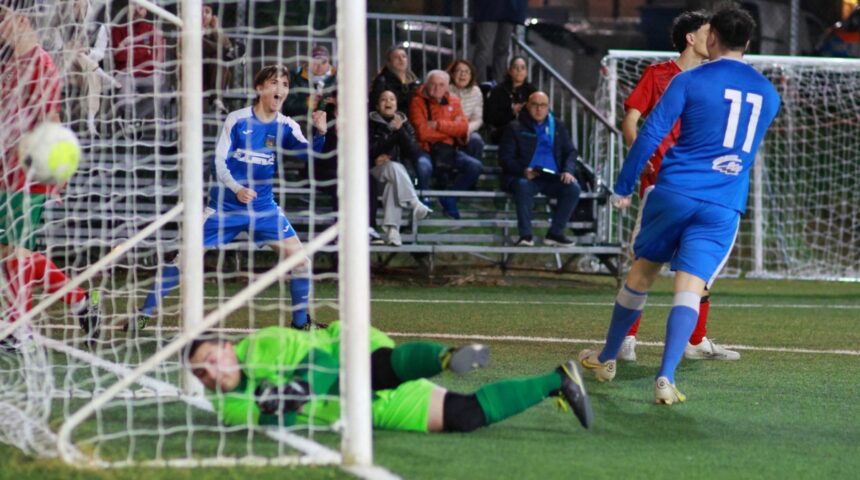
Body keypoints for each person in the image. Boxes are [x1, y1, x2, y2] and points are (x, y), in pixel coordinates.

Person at [578, 5, 780, 405]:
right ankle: (665, 378)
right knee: (689, 288)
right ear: (749, 43)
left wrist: (622, 185)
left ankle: (605, 359)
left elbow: (650, 132)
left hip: (674, 192)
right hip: (723, 203)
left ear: (712, 39)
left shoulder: (689, 80)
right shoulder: (768, 93)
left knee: (642, 274)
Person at [131, 65, 327, 332]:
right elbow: (218, 163)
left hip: (263, 208)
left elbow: (309, 156)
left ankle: (300, 323)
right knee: (184, 261)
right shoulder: (237, 120)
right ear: (259, 88)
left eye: (284, 84)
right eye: (273, 83)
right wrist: (237, 188)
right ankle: (142, 316)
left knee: (301, 262)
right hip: (224, 207)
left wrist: (321, 133)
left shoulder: (286, 125)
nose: (280, 89)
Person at [185, 322, 593, 431]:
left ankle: (446, 358)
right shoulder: (227, 407)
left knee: (362, 371)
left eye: (212, 359)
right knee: (464, 417)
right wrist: (282, 406)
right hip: (356, 410)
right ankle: (558, 380)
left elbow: (324, 361)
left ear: (227, 346)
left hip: (351, 350)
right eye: (202, 373)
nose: (211, 373)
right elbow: (281, 423)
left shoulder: (262, 344)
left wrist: (295, 389)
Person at [617, 11, 740, 363]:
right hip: (662, 186)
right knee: (643, 263)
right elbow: (631, 121)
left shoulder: (712, 81)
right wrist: (641, 158)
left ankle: (695, 341)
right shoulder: (658, 76)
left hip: (703, 188)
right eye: (707, 32)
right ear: (690, 38)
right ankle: (626, 338)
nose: (712, 38)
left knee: (700, 266)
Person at [0, 1, 100, 344]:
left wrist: (58, 171)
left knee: (17, 250)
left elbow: (51, 121)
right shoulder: (9, 65)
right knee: (9, 250)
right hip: (5, 169)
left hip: (31, 171)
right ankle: (79, 299)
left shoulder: (40, 64)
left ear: (21, 20)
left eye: (1, 21)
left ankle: (19, 327)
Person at [499, 92, 580, 247]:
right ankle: (526, 235)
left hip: (552, 177)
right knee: (523, 185)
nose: (538, 109)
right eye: (535, 105)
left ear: (548, 107)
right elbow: (505, 159)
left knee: (573, 188)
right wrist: (523, 170)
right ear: (527, 106)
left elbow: (570, 151)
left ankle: (555, 233)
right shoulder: (515, 127)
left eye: (542, 105)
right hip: (526, 176)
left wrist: (568, 170)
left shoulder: (557, 126)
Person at [409, 70, 483, 220]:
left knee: (475, 166)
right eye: (433, 84)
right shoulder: (417, 101)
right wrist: (451, 131)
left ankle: (450, 199)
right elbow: (422, 133)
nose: (437, 88)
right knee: (423, 167)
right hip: (426, 149)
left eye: (441, 85)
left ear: (447, 87)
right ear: (426, 84)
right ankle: (424, 201)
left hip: (448, 150)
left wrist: (438, 125)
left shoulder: (454, 101)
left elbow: (463, 128)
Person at [369, 90, 433, 246]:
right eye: (384, 99)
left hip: (397, 177)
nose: (388, 102)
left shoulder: (405, 125)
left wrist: (400, 131)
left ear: (396, 105)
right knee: (392, 167)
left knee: (393, 176)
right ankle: (414, 203)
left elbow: (412, 151)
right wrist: (375, 158)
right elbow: (366, 150)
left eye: (392, 99)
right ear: (377, 105)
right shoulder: (368, 123)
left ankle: (392, 232)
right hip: (372, 173)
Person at [110, 3, 164, 139]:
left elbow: (157, 59)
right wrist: (144, 51)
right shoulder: (117, 30)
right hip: (126, 74)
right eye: (134, 7)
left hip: (148, 76)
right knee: (125, 87)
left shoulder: (154, 31)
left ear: (146, 11)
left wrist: (128, 49)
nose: (137, 12)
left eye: (140, 8)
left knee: (164, 95)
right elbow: (118, 57)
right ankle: (130, 120)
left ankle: (132, 118)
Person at [472, 0, 528, 83]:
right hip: (488, 8)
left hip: (509, 9)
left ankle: (499, 84)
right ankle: (481, 84)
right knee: (484, 49)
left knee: (502, 50)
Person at [484, 56, 537, 141]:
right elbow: (490, 117)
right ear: (509, 71)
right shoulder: (498, 90)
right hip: (502, 131)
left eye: (523, 68)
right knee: (515, 128)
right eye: (516, 67)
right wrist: (511, 111)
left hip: (527, 130)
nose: (519, 70)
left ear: (526, 72)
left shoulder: (532, 91)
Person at [282, 44, 336, 123]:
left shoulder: (338, 77)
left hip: (331, 128)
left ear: (329, 62)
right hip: (302, 127)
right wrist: (305, 103)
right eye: (315, 62)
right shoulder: (295, 76)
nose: (319, 66)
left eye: (323, 62)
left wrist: (337, 102)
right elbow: (286, 106)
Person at [446, 59, 484, 161]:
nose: (463, 74)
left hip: (467, 129)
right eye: (459, 71)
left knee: (476, 141)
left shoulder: (476, 92)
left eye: (467, 72)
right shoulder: (445, 89)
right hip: (447, 128)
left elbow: (477, 119)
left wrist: (466, 130)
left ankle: (473, 172)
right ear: (452, 74)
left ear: (471, 76)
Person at [202, 3, 237, 114]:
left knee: (221, 56)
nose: (203, 15)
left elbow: (227, 45)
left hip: (214, 77)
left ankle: (216, 100)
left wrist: (217, 29)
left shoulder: (215, 31)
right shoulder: (185, 29)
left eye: (207, 12)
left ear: (212, 16)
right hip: (195, 74)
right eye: (199, 12)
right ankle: (228, 53)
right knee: (224, 53)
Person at [369, 45, 420, 113]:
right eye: (396, 57)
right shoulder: (381, 81)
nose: (401, 59)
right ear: (389, 62)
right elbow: (375, 107)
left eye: (404, 56)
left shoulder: (416, 82)